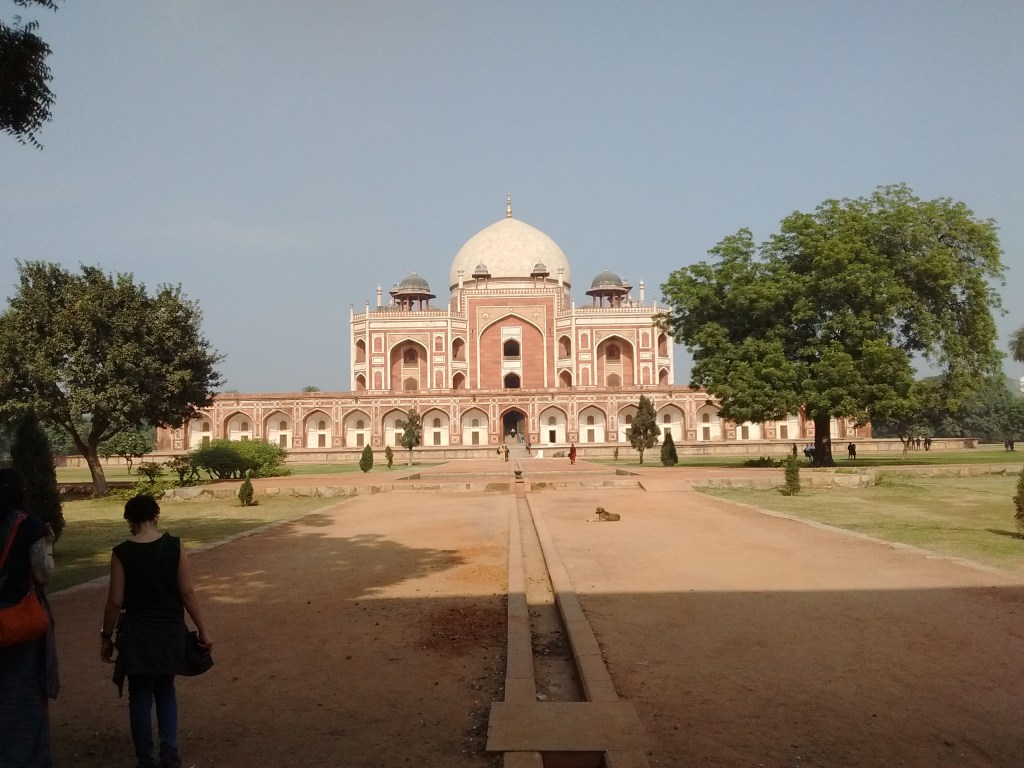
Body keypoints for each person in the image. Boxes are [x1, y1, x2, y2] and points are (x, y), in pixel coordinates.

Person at [101, 494, 212, 768]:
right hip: (169, 630)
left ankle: (145, 759)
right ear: (156, 517)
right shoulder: (174, 546)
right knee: (165, 688)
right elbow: (186, 592)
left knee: (139, 695)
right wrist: (203, 630)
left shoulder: (121, 552)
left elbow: (115, 600)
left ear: (129, 521)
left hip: (138, 633)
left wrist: (106, 635)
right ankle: (169, 753)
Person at [0, 467, 57, 768]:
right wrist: (48, 545)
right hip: (17, 621)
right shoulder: (28, 525)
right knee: (23, 696)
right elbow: (43, 575)